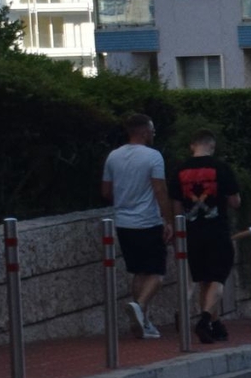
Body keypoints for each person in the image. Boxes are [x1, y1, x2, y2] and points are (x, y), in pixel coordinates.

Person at [100, 114, 170, 339]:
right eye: (151, 131)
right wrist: (168, 220)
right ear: (143, 132)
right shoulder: (153, 156)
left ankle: (142, 322)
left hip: (123, 223)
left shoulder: (113, 156)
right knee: (157, 274)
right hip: (148, 222)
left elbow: (106, 192)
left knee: (139, 271)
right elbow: (160, 190)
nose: (153, 134)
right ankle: (139, 306)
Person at [171, 131, 242, 344]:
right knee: (218, 278)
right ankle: (204, 320)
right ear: (212, 146)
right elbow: (235, 202)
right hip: (217, 230)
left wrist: (177, 234)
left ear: (192, 145)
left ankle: (214, 324)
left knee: (203, 280)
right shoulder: (221, 168)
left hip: (191, 233)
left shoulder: (179, 170)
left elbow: (176, 207)